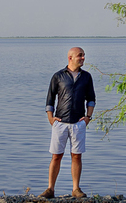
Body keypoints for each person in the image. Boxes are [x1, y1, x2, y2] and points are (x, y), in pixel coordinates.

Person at [41, 47, 96, 199]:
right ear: (70, 58)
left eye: (84, 55)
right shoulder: (58, 76)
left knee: (76, 156)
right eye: (80, 55)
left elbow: (91, 99)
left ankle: (76, 189)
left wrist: (88, 117)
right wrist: (51, 119)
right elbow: (50, 99)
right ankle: (50, 189)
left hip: (79, 123)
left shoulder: (86, 77)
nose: (83, 58)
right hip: (60, 122)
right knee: (56, 156)